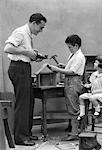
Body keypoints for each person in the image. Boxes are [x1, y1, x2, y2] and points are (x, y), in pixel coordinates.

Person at [4, 13, 47, 146]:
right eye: (40, 27)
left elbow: (23, 51)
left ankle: (26, 133)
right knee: (23, 104)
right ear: (34, 23)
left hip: (24, 67)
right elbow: (8, 48)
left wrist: (34, 55)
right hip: (19, 69)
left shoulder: (28, 35)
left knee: (29, 102)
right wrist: (27, 52)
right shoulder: (20, 32)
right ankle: (20, 138)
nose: (41, 31)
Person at [47, 34, 86, 141]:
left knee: (73, 108)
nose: (69, 49)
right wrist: (63, 66)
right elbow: (71, 68)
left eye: (70, 47)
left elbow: (73, 71)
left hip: (74, 82)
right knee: (71, 107)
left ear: (76, 45)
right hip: (69, 81)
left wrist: (57, 70)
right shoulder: (73, 55)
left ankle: (75, 133)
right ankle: (75, 131)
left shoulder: (79, 56)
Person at [78, 55, 102, 120]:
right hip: (95, 94)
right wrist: (88, 85)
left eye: (96, 62)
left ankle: (98, 110)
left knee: (92, 97)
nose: (94, 63)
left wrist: (96, 92)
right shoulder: (94, 74)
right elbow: (93, 84)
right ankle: (82, 113)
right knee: (81, 97)